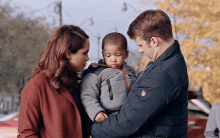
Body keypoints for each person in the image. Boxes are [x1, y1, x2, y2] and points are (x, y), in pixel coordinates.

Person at [90, 9, 189, 138]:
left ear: (154, 41)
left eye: (141, 45)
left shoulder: (163, 73)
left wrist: (93, 130)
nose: (140, 50)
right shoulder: (169, 61)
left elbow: (128, 122)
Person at [17, 25, 90, 138]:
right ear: (67, 53)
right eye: (84, 53)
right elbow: (26, 133)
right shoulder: (38, 84)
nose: (87, 58)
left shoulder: (79, 83)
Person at [80, 32, 137, 123]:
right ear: (103, 55)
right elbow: (87, 95)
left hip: (131, 115)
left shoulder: (130, 71)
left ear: (126, 54)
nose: (113, 59)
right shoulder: (97, 72)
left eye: (117, 55)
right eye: (108, 55)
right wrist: (96, 112)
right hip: (108, 117)